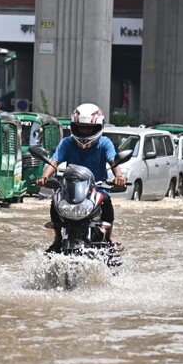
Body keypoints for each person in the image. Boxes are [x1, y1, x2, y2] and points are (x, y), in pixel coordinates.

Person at [35, 103, 126, 252]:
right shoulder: (67, 143)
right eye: (81, 127)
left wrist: (119, 177)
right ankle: (57, 237)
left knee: (107, 201)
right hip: (71, 188)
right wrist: (45, 176)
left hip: (97, 189)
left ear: (97, 127)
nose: (84, 131)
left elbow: (113, 162)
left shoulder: (105, 143)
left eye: (89, 128)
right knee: (55, 199)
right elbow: (54, 162)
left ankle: (109, 235)